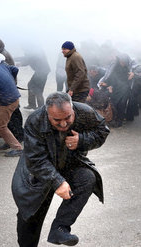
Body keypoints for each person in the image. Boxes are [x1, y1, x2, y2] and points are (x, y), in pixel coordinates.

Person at [11, 92, 109, 246]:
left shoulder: (85, 112)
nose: (63, 124)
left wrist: (82, 140)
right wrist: (57, 182)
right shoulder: (35, 121)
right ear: (47, 113)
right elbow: (36, 159)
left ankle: (60, 228)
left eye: (68, 118)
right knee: (30, 216)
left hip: (69, 162)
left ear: (73, 110)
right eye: (57, 120)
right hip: (39, 170)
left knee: (87, 178)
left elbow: (102, 131)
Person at [15, 45, 51, 110]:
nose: (24, 51)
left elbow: (27, 59)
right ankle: (32, 104)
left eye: (24, 49)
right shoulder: (34, 51)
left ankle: (41, 108)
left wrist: (20, 63)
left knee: (38, 90)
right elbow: (27, 59)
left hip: (41, 72)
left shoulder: (34, 52)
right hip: (40, 71)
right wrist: (17, 60)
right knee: (31, 85)